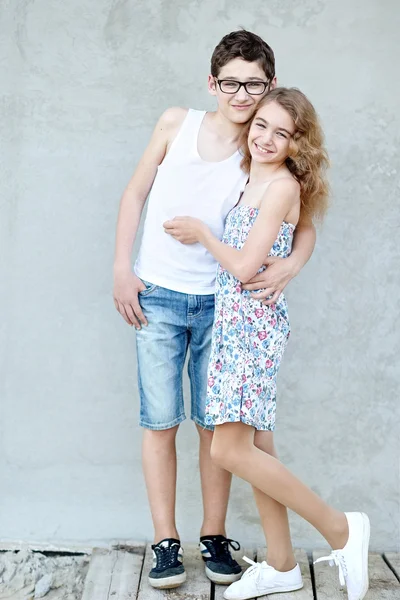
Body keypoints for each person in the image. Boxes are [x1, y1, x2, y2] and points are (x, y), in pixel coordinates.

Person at [113, 30, 316, 590]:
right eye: (232, 82)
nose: (242, 94)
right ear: (213, 83)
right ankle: (165, 542)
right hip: (156, 294)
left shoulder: (263, 146)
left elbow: (305, 219)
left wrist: (293, 264)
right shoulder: (176, 124)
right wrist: (121, 267)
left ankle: (213, 535)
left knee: (213, 429)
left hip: (221, 308)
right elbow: (134, 194)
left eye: (254, 84)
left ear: (269, 86)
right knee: (160, 422)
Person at [164, 87, 370, 600]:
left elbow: (242, 265)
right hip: (237, 324)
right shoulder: (249, 176)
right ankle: (281, 566)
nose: (266, 138)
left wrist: (203, 234)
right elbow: (306, 233)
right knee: (257, 448)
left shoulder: (278, 186)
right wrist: (297, 259)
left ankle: (342, 529)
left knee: (230, 449)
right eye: (262, 125)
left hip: (250, 330)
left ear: (297, 143)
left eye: (282, 132)